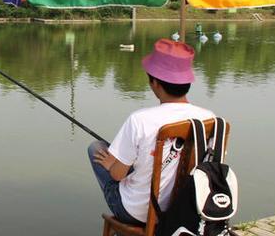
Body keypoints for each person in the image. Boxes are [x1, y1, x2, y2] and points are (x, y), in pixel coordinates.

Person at [87, 39, 214, 226]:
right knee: (137, 157)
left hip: (139, 213)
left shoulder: (140, 120)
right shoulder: (209, 119)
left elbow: (117, 176)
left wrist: (110, 165)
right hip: (187, 209)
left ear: (154, 83)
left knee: (95, 148)